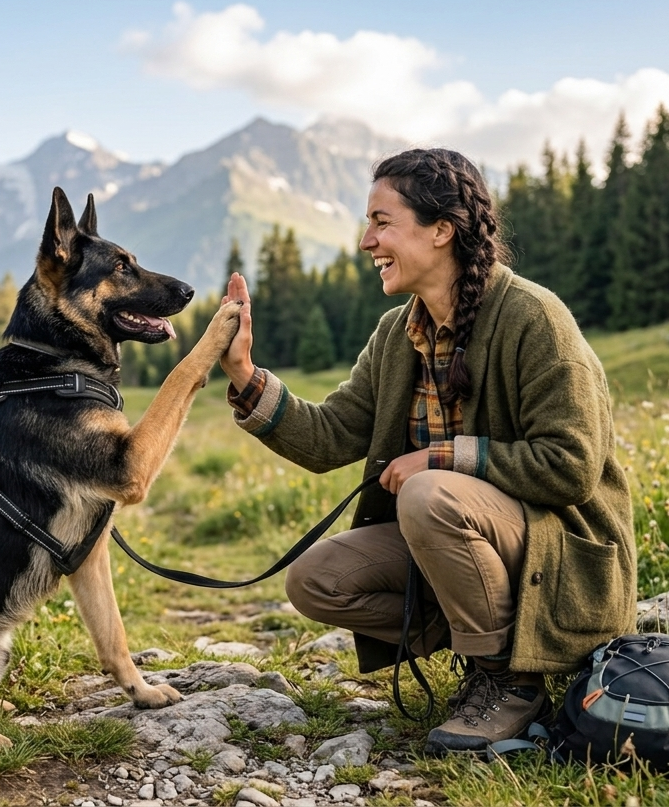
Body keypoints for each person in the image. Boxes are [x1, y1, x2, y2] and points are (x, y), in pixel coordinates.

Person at [218, 148, 636, 756]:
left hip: (563, 556)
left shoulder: (535, 318)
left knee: (427, 491)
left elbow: (571, 467)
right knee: (317, 580)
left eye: (382, 222)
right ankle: (483, 641)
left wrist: (445, 458)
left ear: (441, 230)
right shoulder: (396, 334)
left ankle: (510, 684)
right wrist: (245, 374)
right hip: (470, 539)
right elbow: (329, 436)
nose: (367, 241)